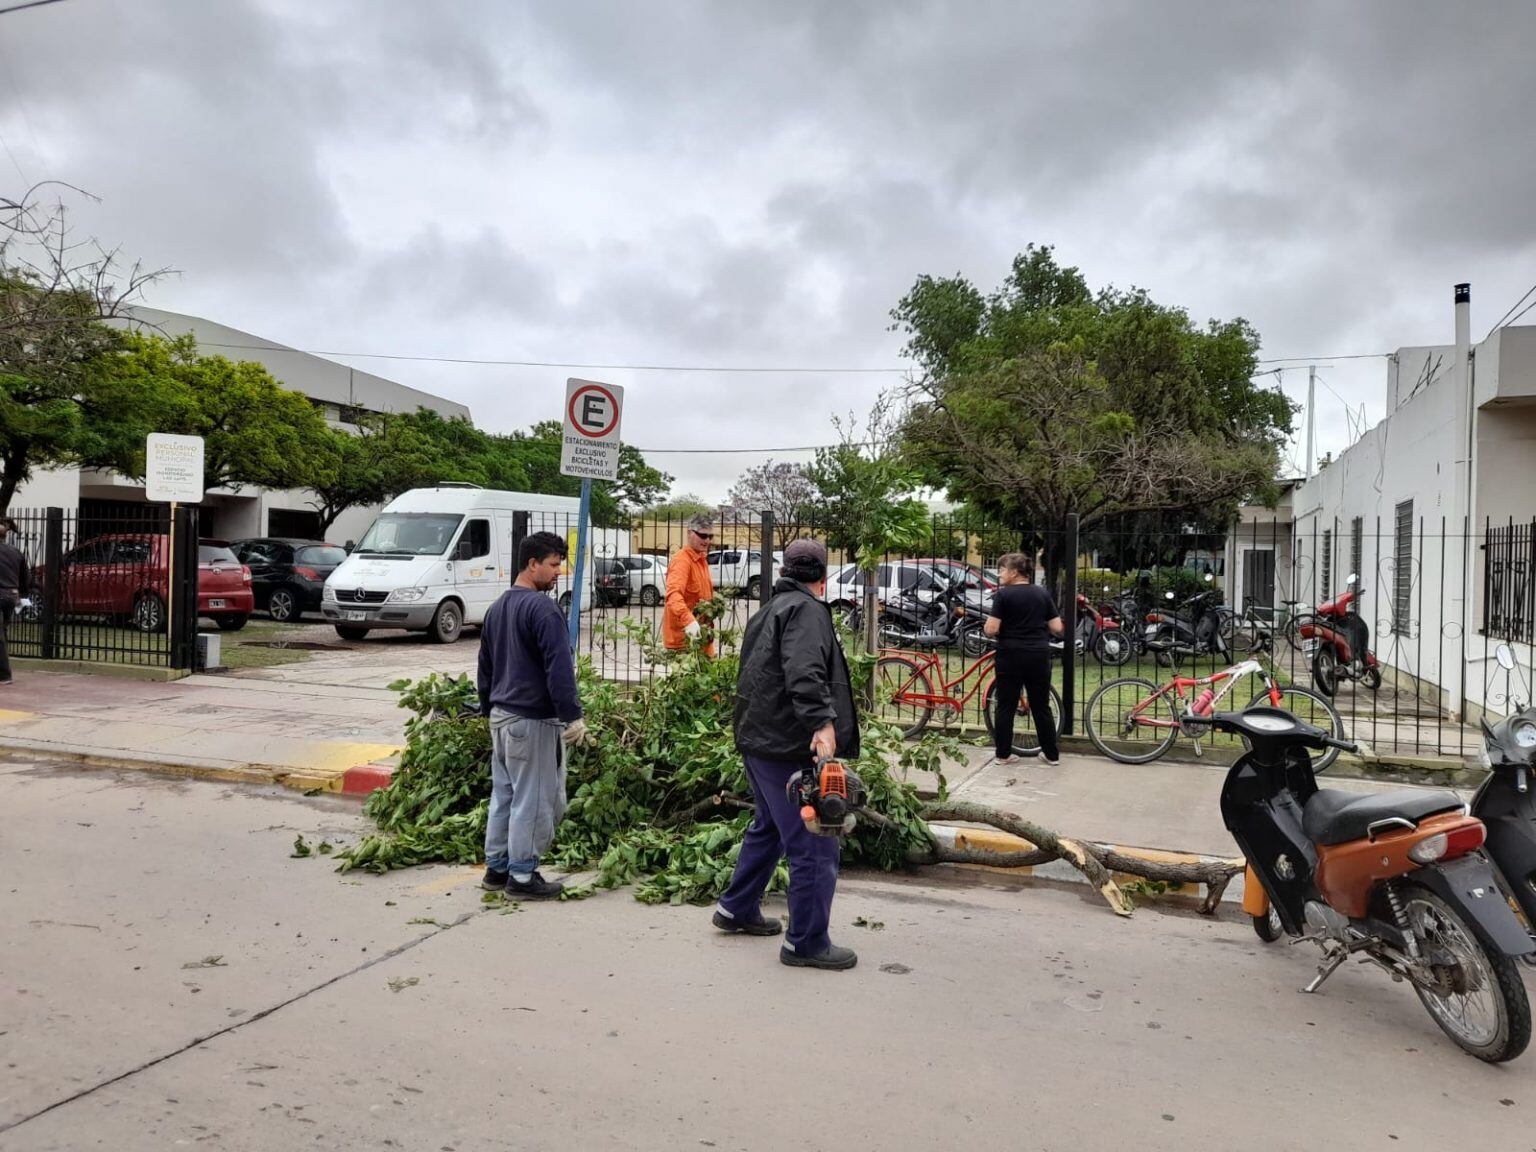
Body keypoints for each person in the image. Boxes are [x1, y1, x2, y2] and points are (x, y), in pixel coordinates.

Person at [713, 537, 861, 971]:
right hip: (786, 744)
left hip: (759, 741)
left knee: (770, 828)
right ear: (823, 576)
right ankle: (806, 942)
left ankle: (736, 908)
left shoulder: (770, 609)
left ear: (784, 570)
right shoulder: (808, 610)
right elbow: (804, 670)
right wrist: (822, 723)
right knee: (815, 841)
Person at [477, 531, 588, 900]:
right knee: (536, 798)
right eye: (554, 565)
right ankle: (522, 877)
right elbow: (559, 669)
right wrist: (572, 716)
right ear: (532, 564)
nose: (559, 573)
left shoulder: (497, 608)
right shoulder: (543, 609)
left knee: (504, 796)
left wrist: (486, 708)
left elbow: (485, 667)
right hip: (533, 720)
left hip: (502, 718)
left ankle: (496, 869)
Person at [983, 552, 1063, 766]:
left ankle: (1003, 754)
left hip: (1010, 654)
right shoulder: (1042, 594)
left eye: (1002, 570)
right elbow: (1057, 627)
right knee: (1041, 705)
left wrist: (989, 627)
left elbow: (991, 629)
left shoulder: (1003, 595)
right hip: (1038, 654)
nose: (999, 574)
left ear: (1014, 572)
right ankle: (1051, 754)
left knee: (1006, 705)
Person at [663, 512, 716, 654]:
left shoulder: (701, 559)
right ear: (689, 532)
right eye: (703, 535)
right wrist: (689, 621)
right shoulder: (682, 561)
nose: (707, 541)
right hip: (684, 642)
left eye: (710, 536)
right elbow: (673, 595)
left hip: (702, 638)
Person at [0, 519, 28, 687]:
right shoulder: (16, 552)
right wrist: (22, 595)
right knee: (2, 632)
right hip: (12, 595)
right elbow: (25, 578)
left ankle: (4, 675)